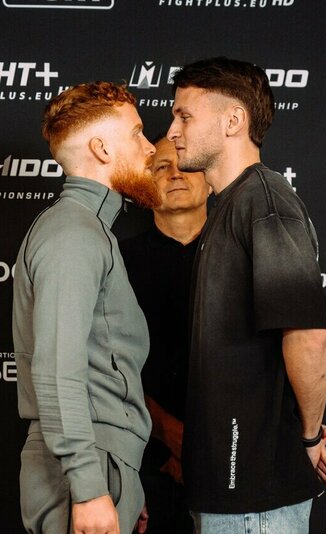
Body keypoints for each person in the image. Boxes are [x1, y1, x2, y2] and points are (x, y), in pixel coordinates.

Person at [166, 57, 326, 532]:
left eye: (184, 116)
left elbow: (309, 337)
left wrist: (308, 439)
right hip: (229, 492)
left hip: (254, 497)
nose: (173, 131)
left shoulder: (264, 201)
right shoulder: (231, 206)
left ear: (233, 120)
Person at [12, 81, 160, 534]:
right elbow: (58, 369)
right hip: (85, 466)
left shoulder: (88, 229)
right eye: (136, 133)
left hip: (101, 461)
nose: (151, 147)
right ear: (101, 148)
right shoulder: (74, 233)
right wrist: (91, 488)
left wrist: (121, 477)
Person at [119, 135, 210, 533]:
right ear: (145, 186)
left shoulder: (243, 255)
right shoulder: (116, 261)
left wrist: (200, 446)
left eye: (185, 165)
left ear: (211, 180)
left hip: (229, 462)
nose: (174, 174)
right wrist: (169, 437)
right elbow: (101, 363)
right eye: (161, 167)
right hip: (138, 463)